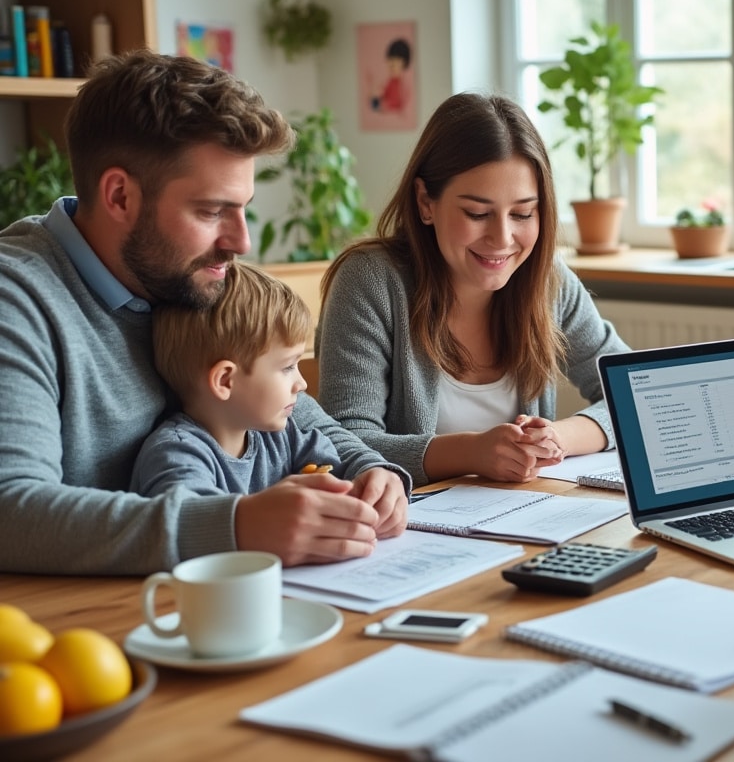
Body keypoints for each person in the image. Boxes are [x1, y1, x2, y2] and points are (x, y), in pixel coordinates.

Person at [0, 50, 409, 575]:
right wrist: (235, 526)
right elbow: (12, 511)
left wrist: (372, 471)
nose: (240, 241)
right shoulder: (19, 299)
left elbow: (306, 421)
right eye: (212, 211)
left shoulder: (182, 270)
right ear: (120, 196)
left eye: (244, 208)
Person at [317, 92, 629, 488]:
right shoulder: (371, 281)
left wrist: (557, 439)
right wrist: (471, 452)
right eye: (477, 213)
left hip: (526, 520)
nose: (502, 237)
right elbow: (343, 442)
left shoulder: (547, 279)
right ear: (425, 202)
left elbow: (637, 396)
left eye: (522, 214)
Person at [130, 263, 379, 500]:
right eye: (288, 367)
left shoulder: (283, 435)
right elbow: (191, 526)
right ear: (226, 380)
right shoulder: (176, 454)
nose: (301, 384)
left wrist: (372, 475)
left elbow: (343, 469)